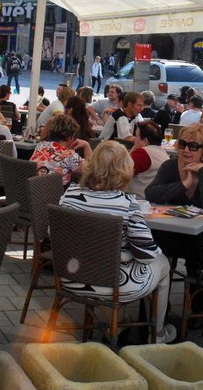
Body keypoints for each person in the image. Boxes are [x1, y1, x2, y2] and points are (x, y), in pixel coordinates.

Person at [59, 141, 176, 344]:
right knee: (163, 262)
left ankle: (117, 319)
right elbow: (146, 255)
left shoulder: (69, 194)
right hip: (113, 284)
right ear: (124, 170)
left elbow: (55, 234)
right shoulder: (127, 203)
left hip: (70, 278)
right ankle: (157, 334)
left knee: (126, 260)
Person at [145, 123, 203, 280]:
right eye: (182, 144)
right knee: (149, 244)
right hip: (172, 231)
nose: (186, 150)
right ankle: (157, 300)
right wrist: (184, 184)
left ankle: (197, 301)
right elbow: (151, 193)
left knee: (202, 251)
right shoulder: (169, 166)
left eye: (193, 146)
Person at [31, 114, 90, 187]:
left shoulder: (41, 145)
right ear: (70, 137)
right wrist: (86, 146)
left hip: (34, 191)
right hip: (55, 194)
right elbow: (91, 171)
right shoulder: (69, 155)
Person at [127, 120, 170, 198]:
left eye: (136, 136)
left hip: (137, 200)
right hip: (154, 200)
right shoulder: (163, 153)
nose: (134, 139)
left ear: (145, 141)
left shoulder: (142, 153)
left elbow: (121, 174)